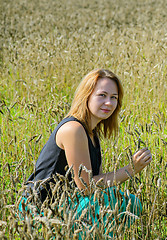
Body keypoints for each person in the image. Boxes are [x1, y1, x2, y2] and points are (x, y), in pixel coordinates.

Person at [19, 69, 152, 236]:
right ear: (86, 96)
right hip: (40, 209)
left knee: (127, 202)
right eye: (102, 95)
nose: (109, 103)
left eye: (114, 97)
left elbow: (98, 185)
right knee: (110, 202)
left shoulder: (92, 132)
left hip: (66, 204)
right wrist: (130, 170)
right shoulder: (73, 129)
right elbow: (86, 187)